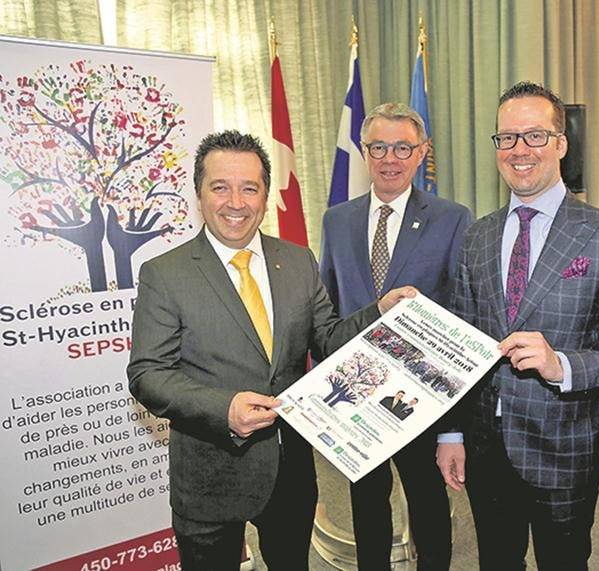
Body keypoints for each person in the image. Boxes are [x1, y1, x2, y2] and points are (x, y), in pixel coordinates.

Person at [127, 130, 414, 571]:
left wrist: (379, 310)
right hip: (209, 474)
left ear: (264, 195)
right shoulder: (165, 274)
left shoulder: (297, 260)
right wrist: (225, 408)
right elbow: (148, 373)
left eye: (250, 188)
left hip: (290, 470)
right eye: (220, 187)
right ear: (199, 194)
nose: (236, 203)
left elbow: (329, 339)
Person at [435, 81, 599, 571]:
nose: (520, 150)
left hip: (565, 448)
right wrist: (450, 435)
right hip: (486, 447)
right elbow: (460, 346)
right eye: (507, 138)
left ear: (561, 143)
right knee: (496, 559)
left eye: (535, 136)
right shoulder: (477, 236)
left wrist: (563, 366)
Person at [319, 102, 473, 570]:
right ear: (365, 152)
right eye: (379, 146)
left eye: (403, 147)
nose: (390, 158)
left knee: (427, 502)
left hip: (421, 394)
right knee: (366, 505)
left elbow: (463, 318)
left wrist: (453, 427)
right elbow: (328, 309)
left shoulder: (451, 218)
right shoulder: (337, 220)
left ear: (422, 152)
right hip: (357, 393)